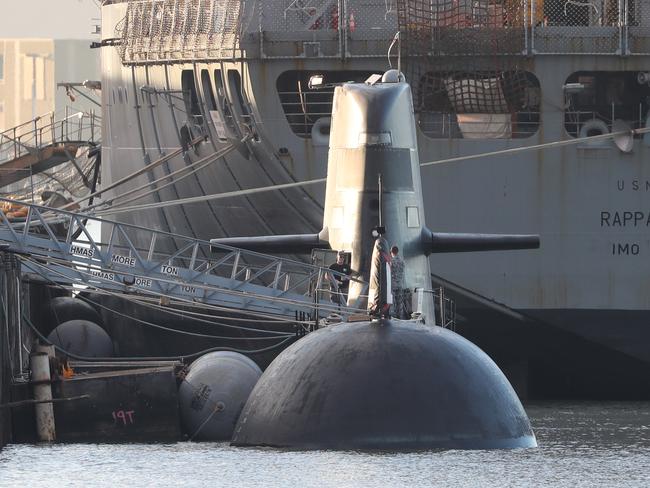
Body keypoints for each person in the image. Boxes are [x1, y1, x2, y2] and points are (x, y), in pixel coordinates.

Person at [390, 245, 409, 319]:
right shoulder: (402, 261)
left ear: (391, 252)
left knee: (392, 302)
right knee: (399, 302)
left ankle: (392, 316)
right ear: (397, 252)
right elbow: (403, 273)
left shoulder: (391, 261)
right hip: (400, 284)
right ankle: (400, 316)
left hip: (393, 284)